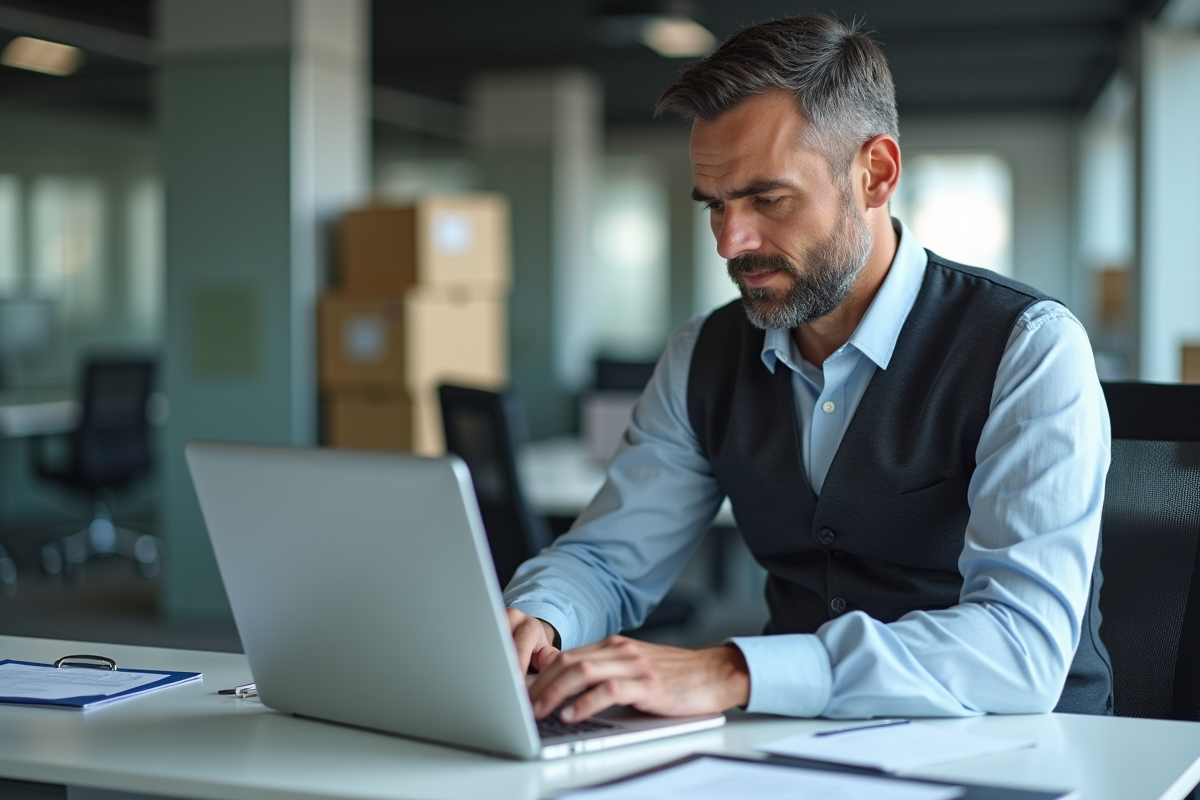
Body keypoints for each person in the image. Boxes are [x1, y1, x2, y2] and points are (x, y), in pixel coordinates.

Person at [505, 13, 1111, 724]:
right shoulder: (702, 354)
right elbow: (609, 560)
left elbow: (1018, 648)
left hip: (1021, 755)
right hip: (794, 748)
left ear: (875, 174)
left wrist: (733, 670)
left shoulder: (1028, 348)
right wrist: (535, 619)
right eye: (716, 206)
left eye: (768, 199)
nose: (732, 242)